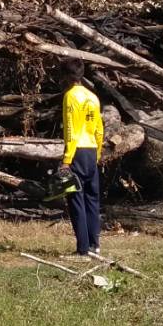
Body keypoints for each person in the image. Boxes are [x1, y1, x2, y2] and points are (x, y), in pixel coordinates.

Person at [59, 65, 105, 257]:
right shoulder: (93, 97)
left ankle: (82, 249)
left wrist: (66, 159)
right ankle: (95, 244)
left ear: (67, 76)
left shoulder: (70, 96)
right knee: (92, 199)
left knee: (75, 199)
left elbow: (70, 129)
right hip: (92, 150)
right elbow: (99, 129)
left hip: (76, 152)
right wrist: (98, 153)